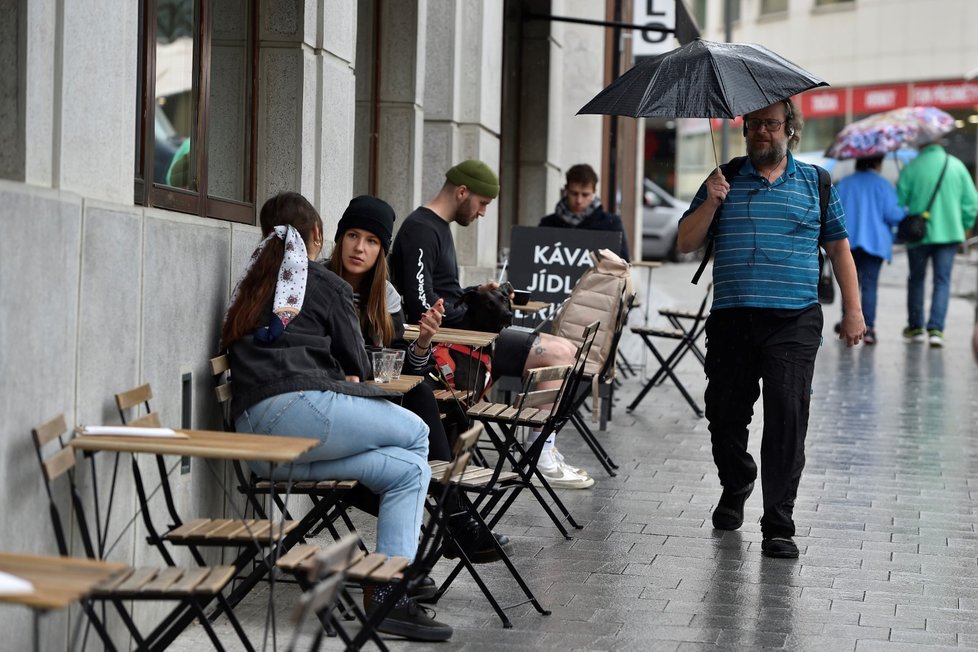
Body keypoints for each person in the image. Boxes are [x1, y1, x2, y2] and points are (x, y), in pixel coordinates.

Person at [224, 191, 451, 641]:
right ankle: (390, 591)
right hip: (298, 414)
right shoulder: (324, 283)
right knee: (418, 431)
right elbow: (364, 368)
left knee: (408, 469)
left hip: (256, 442)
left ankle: (394, 587)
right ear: (318, 236)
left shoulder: (254, 279)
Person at [676, 99, 865, 559]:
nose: (761, 131)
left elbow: (840, 250)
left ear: (790, 130)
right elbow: (684, 241)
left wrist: (854, 312)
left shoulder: (815, 183)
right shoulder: (724, 179)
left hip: (793, 320)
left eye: (771, 124)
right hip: (732, 318)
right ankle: (737, 480)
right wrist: (711, 202)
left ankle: (779, 522)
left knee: (787, 414)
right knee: (723, 415)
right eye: (754, 123)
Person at [323, 194, 511, 563]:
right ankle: (452, 524)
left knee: (422, 395)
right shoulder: (319, 283)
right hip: (334, 404)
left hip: (370, 402)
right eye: (352, 236)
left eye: (372, 241)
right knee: (415, 431)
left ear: (382, 250)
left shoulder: (386, 298)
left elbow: (403, 374)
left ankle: (437, 534)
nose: (359, 248)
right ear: (339, 238)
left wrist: (423, 341)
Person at [389, 160, 592, 489]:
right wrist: (474, 310)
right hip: (452, 346)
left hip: (467, 337)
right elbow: (421, 307)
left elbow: (443, 295)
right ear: (462, 191)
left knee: (567, 348)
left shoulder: (436, 226)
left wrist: (474, 294)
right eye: (482, 203)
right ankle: (539, 454)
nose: (482, 213)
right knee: (557, 353)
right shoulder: (421, 230)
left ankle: (545, 449)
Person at [896, 139, 978, 348]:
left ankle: (916, 327)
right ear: (940, 142)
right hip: (949, 233)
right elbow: (972, 203)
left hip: (918, 235)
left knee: (916, 279)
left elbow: (899, 201)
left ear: (921, 144)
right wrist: (964, 225)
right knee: (942, 281)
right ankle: (936, 329)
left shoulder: (912, 167)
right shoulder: (956, 165)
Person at [834, 156, 906, 344]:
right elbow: (893, 215)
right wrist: (905, 209)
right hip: (874, 243)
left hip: (846, 243)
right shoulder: (883, 185)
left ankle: (847, 320)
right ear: (877, 164)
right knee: (869, 284)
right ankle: (870, 328)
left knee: (848, 282)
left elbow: (833, 211)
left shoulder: (845, 183)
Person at [539, 163, 631, 261]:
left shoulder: (611, 224)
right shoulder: (548, 224)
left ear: (593, 193)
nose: (579, 200)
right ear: (566, 190)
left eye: (585, 195)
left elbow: (622, 263)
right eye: (574, 193)